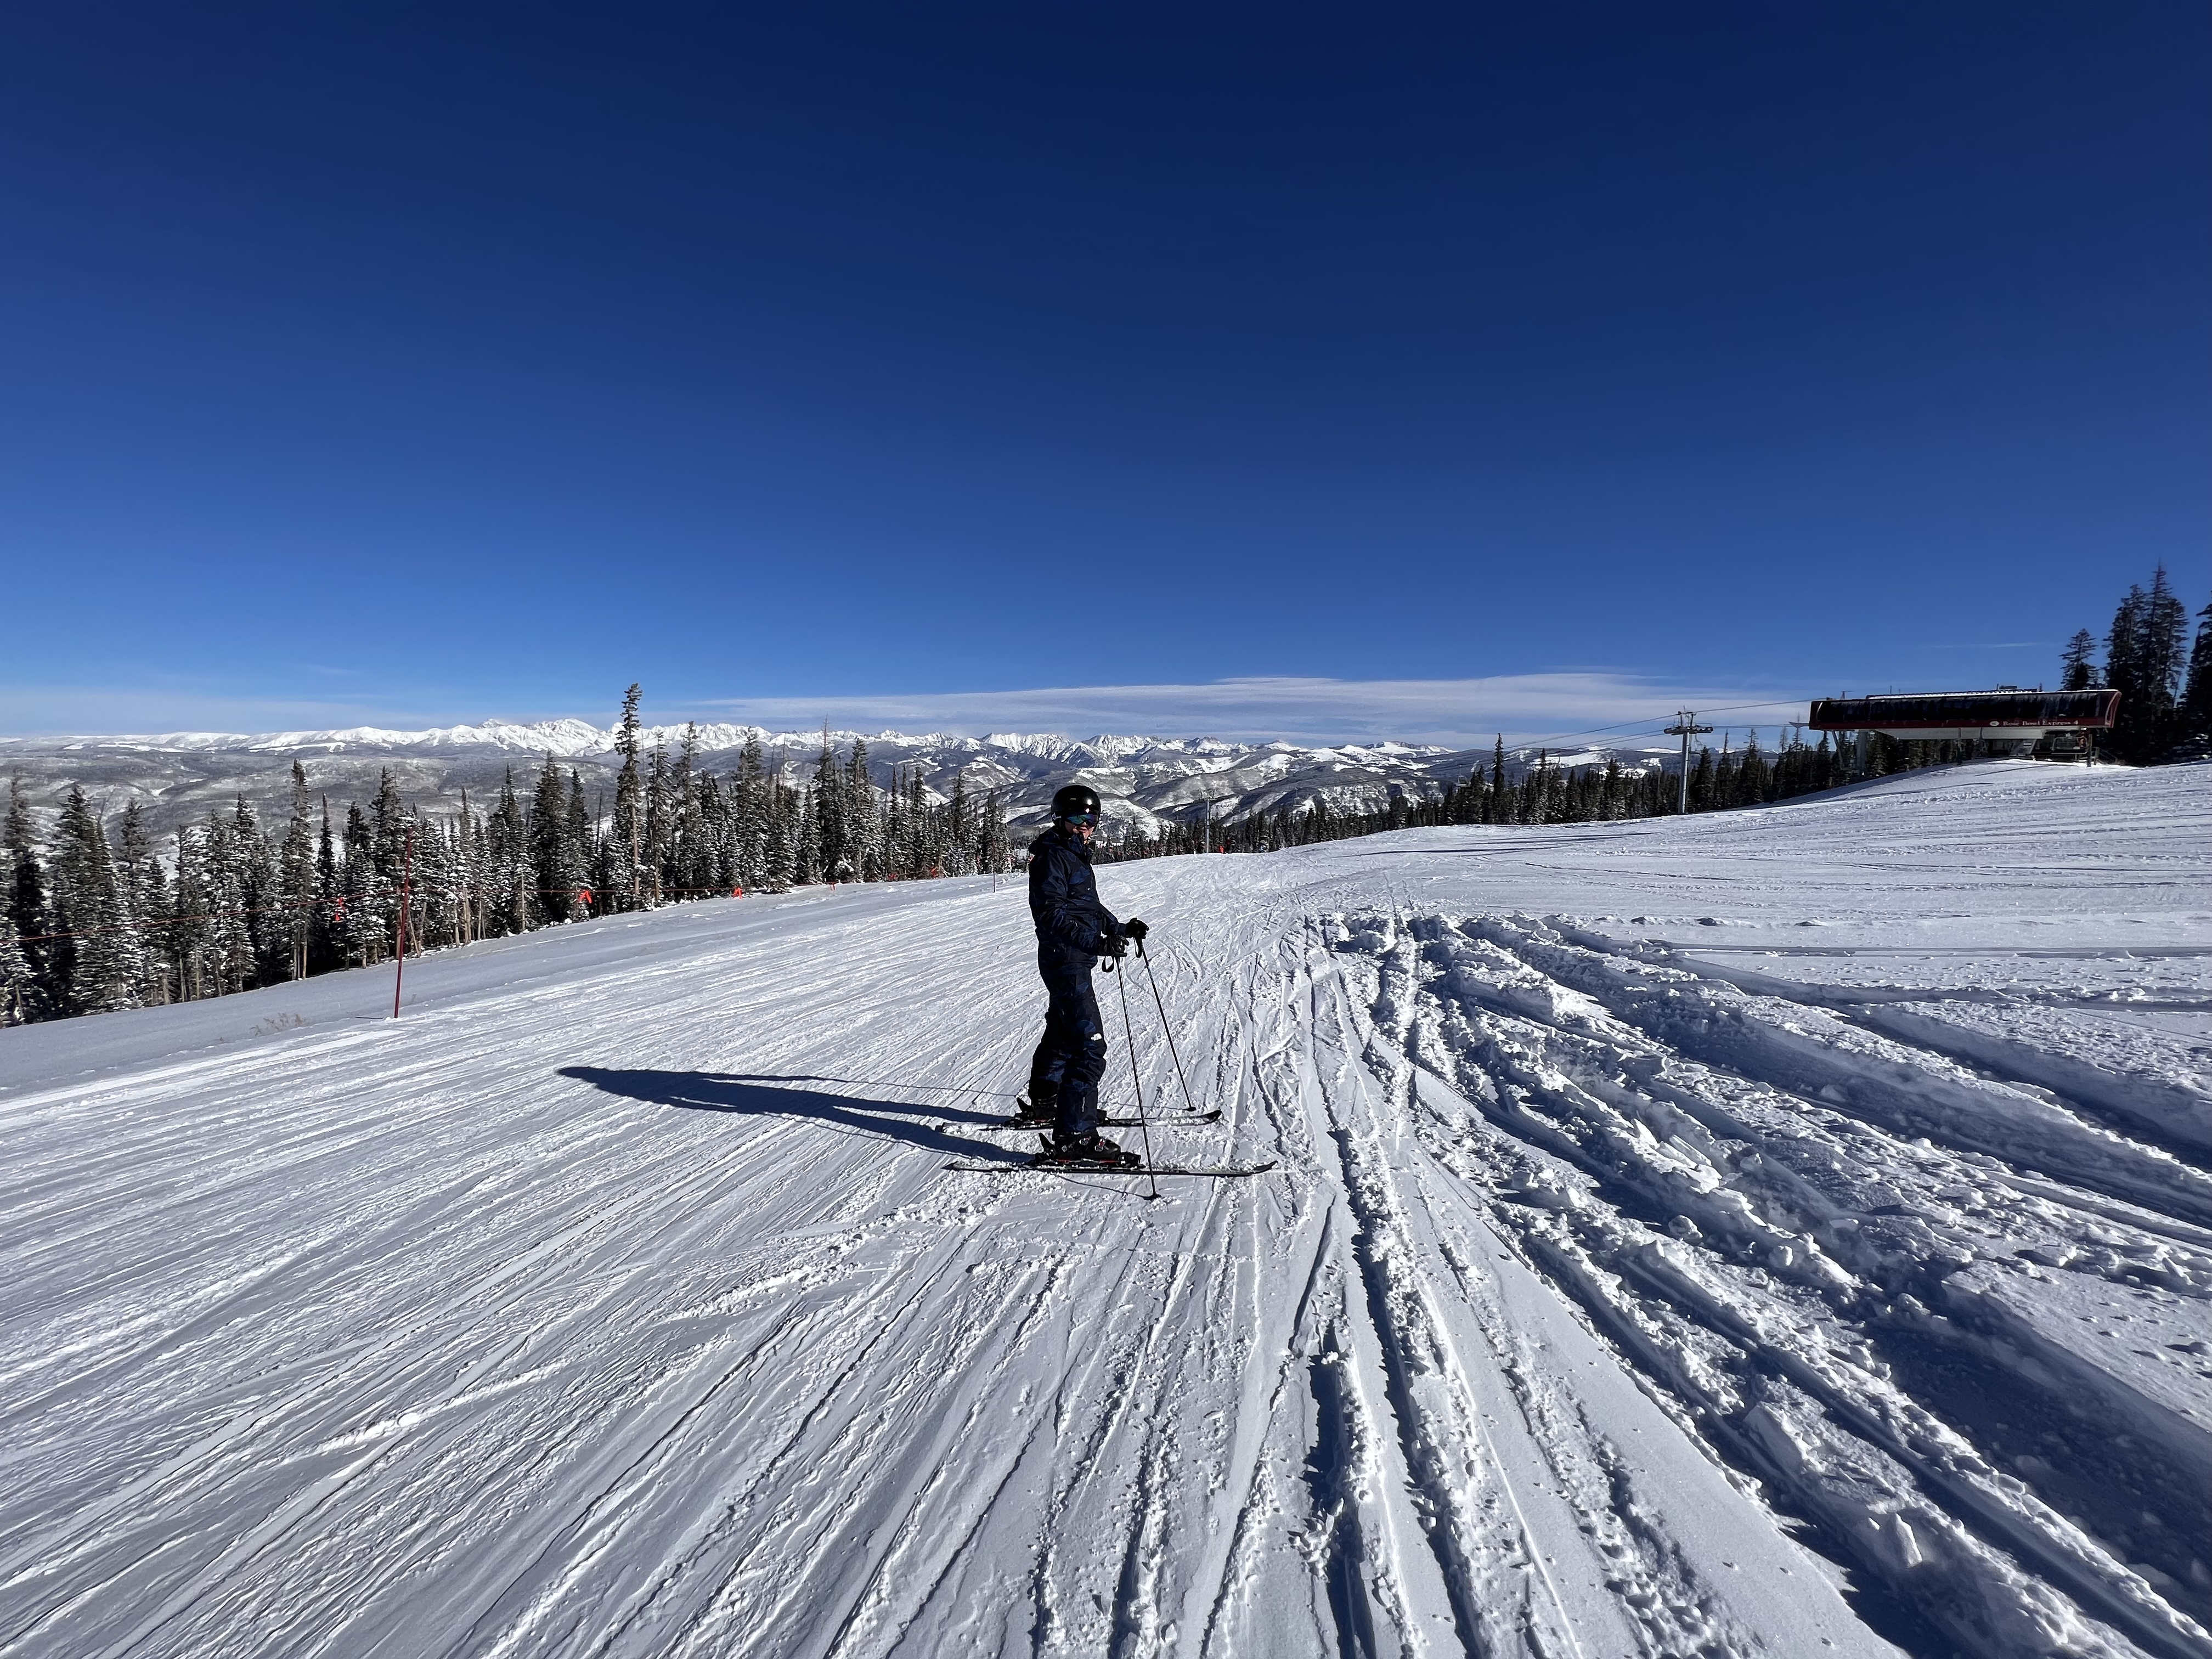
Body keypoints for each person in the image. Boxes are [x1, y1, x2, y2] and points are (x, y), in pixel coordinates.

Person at [1017, 783, 1150, 1166]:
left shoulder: (1072, 855)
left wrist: (1119, 928)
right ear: (1060, 818)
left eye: (1092, 820)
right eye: (1078, 819)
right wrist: (1096, 942)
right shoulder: (1052, 858)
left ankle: (1047, 1103)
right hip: (1065, 958)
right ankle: (1075, 1136)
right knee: (1089, 1047)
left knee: (1062, 1033)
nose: (1085, 826)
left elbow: (1085, 905)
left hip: (1071, 957)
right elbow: (1052, 915)